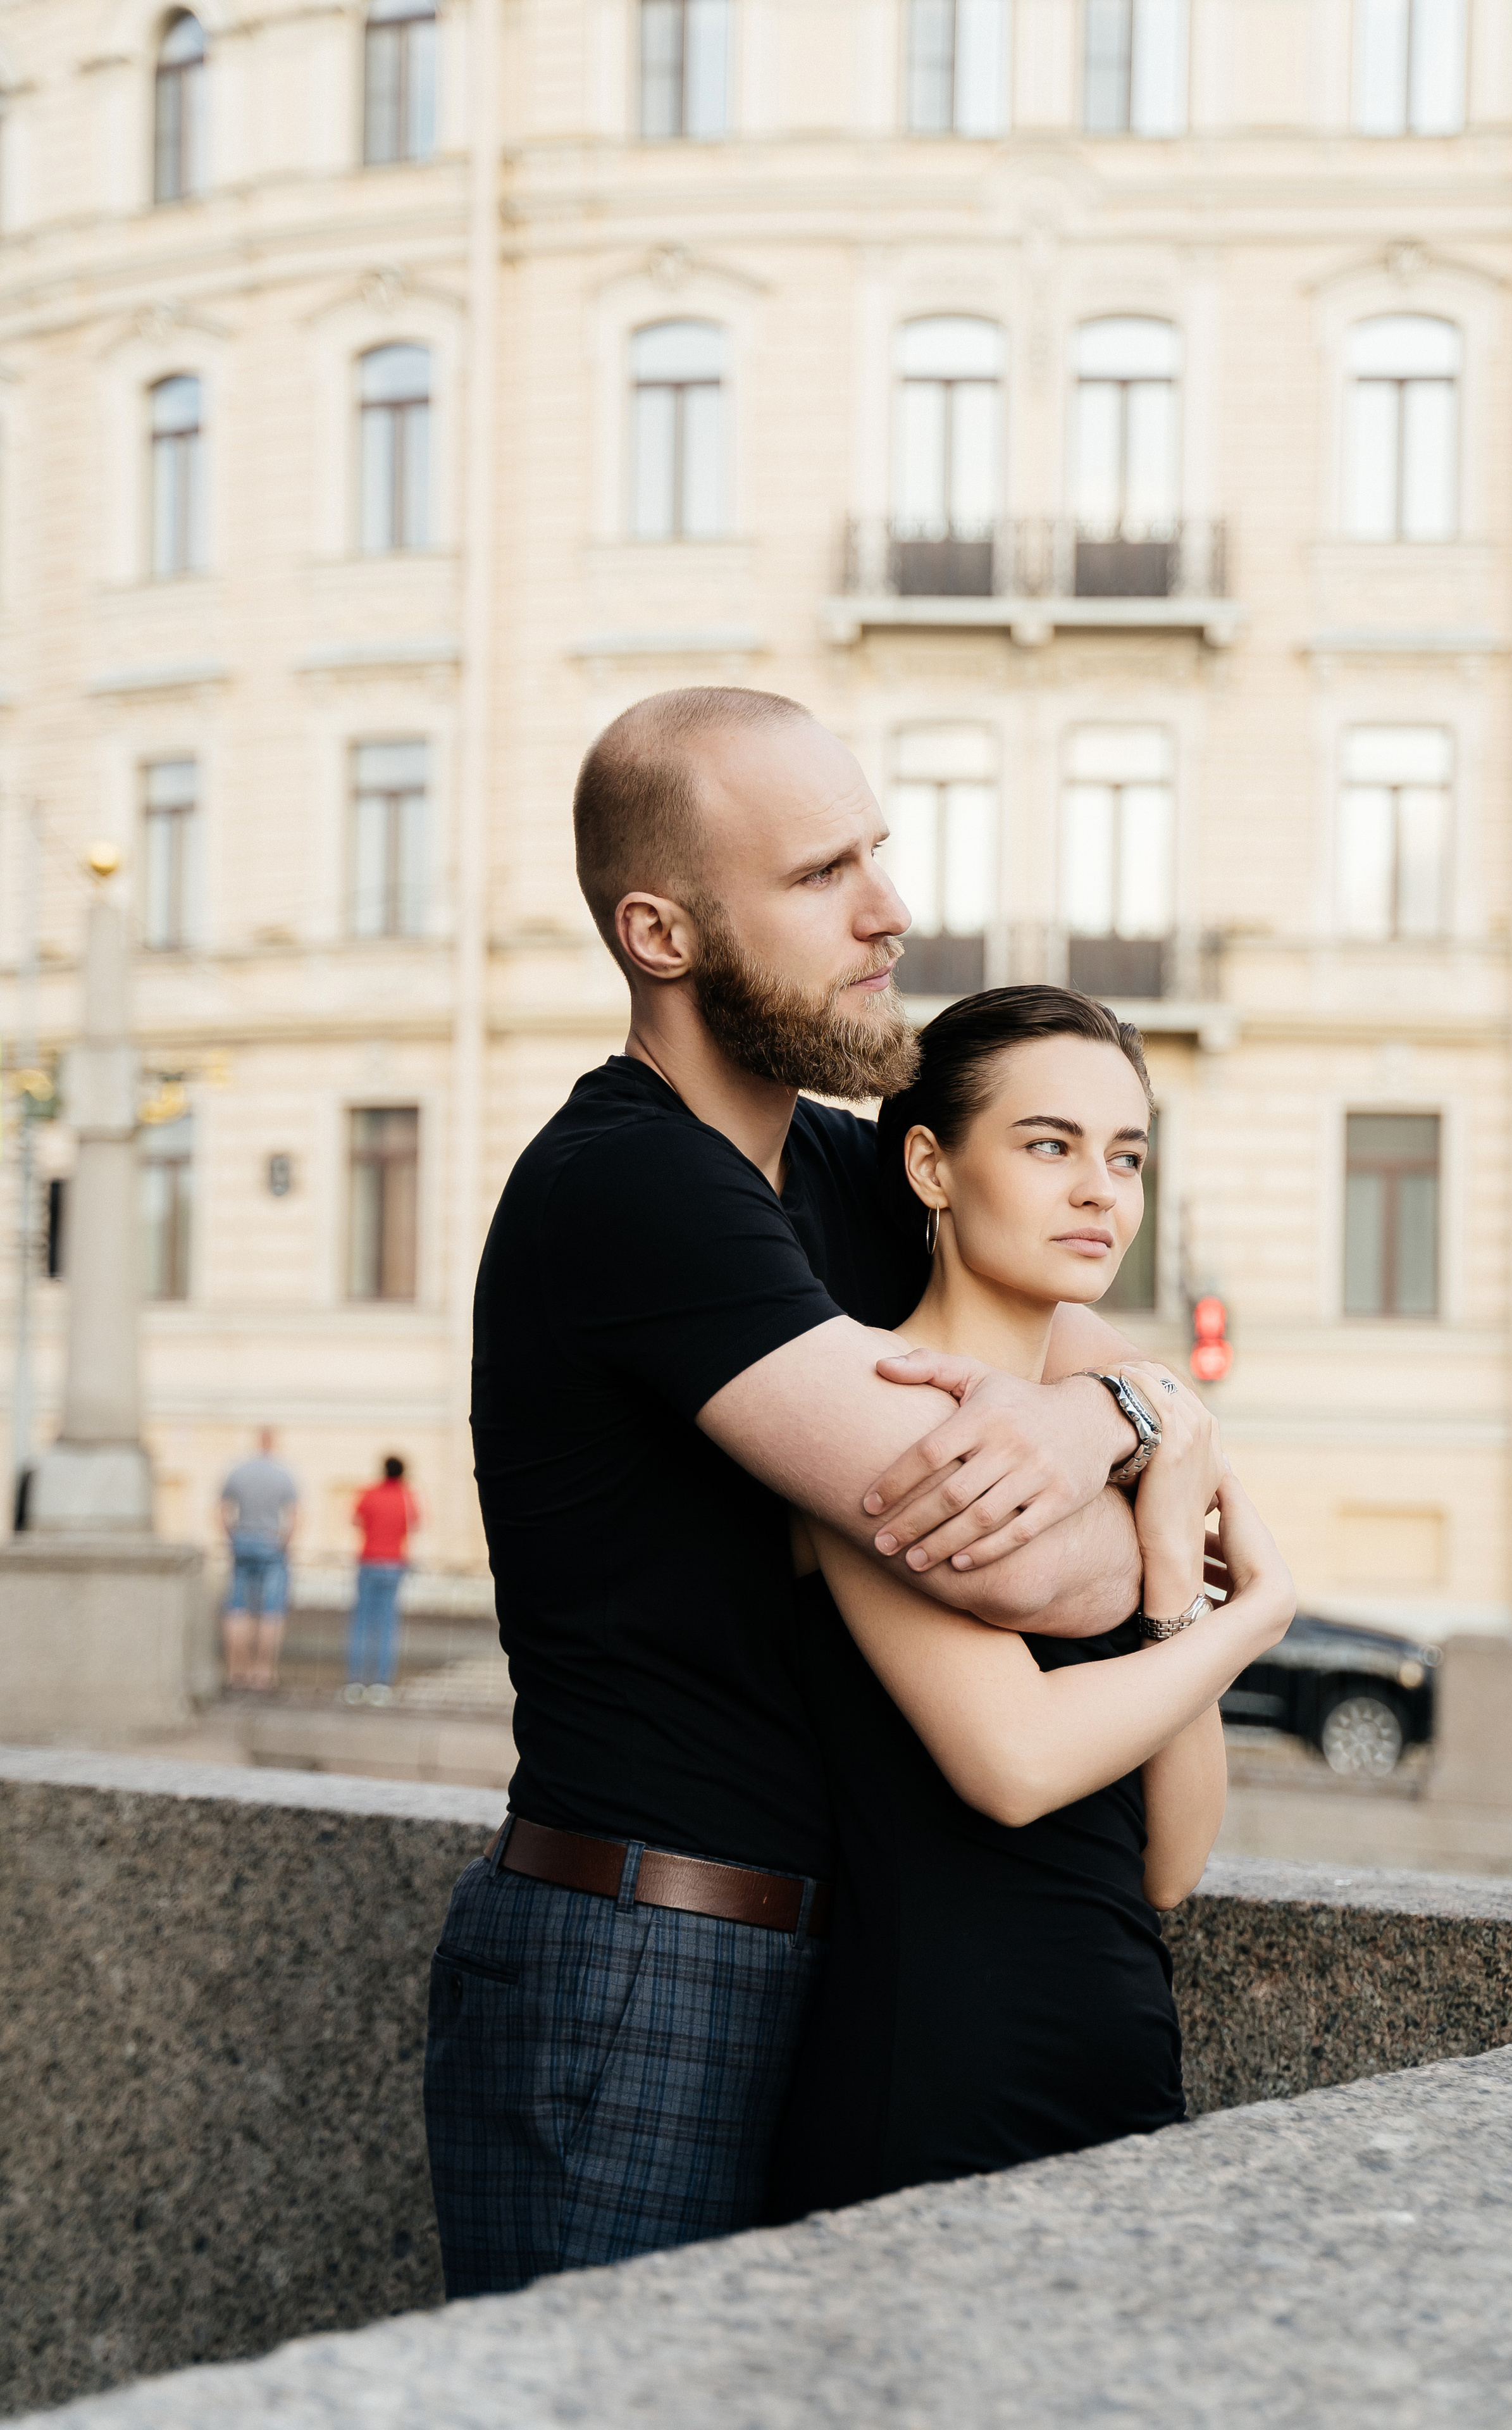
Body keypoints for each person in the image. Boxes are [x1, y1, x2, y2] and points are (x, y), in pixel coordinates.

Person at [427, 686, 1219, 2296]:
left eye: (877, 853)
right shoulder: (630, 1184)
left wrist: (1110, 1420)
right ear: (660, 929)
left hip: (825, 1949)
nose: (890, 911)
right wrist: (1138, 1482)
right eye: (817, 876)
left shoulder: (857, 1173)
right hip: (639, 1958)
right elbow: (1005, 1562)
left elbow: (1146, 1402)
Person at [766, 987, 1295, 2220]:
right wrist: (1248, 1620)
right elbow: (1010, 1762)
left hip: (1116, 2069)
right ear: (930, 1167)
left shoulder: (1123, 1437)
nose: (1099, 1191)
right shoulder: (875, 1411)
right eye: (1047, 1146)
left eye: (1124, 1157)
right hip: (936, 2082)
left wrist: (1171, 1572)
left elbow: (1170, 1862)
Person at [219, 1429, 299, 1693]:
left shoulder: (238, 1471)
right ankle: (263, 1672)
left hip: (242, 1541)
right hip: (271, 1543)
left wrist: (232, 1536)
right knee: (271, 1612)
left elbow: (223, 1510)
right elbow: (294, 1516)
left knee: (237, 1609)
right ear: (273, 1443)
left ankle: (236, 1671)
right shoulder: (283, 1474)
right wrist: (284, 1543)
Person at [344, 1455, 421, 1704]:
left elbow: (356, 1520)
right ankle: (381, 1684)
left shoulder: (370, 1493)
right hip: (394, 1563)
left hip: (369, 1561)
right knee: (387, 1625)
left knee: (362, 1624)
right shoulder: (406, 1496)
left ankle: (355, 1683)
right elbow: (415, 1525)